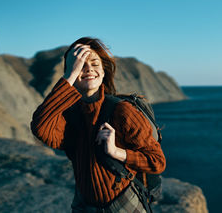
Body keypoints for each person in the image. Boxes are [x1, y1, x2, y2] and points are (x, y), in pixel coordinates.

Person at [30, 37, 166, 212]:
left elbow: (157, 162)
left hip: (121, 205)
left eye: (95, 63)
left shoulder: (123, 111)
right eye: (80, 64)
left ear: (103, 71)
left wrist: (117, 152)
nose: (88, 69)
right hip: (84, 206)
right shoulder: (70, 115)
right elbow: (40, 127)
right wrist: (70, 75)